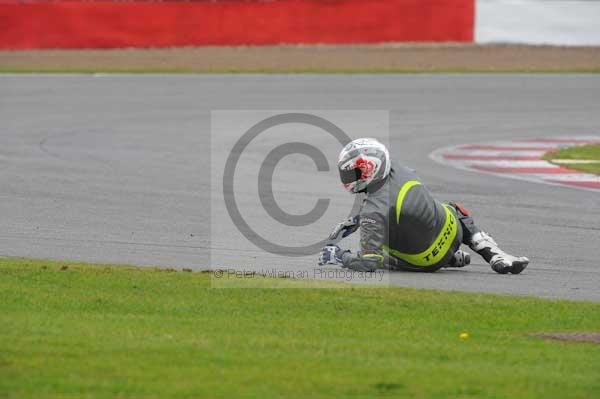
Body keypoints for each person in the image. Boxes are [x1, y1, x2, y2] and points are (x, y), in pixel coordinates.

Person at [318, 138, 529, 274]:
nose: (347, 179)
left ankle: (448, 259)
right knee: (452, 208)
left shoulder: (373, 213)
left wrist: (339, 255)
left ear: (370, 170)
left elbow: (368, 263)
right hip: (451, 230)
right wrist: (359, 218)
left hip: (423, 264)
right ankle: (493, 253)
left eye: (352, 174)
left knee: (376, 251)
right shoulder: (399, 167)